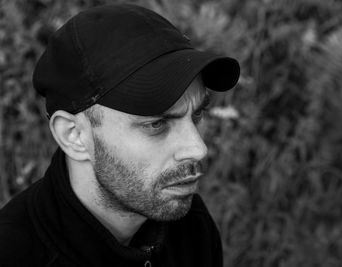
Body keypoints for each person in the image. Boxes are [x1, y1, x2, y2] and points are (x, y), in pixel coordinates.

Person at [0, 3, 240, 267]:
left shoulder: (191, 228)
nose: (198, 148)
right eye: (156, 124)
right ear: (74, 136)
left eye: (195, 115)